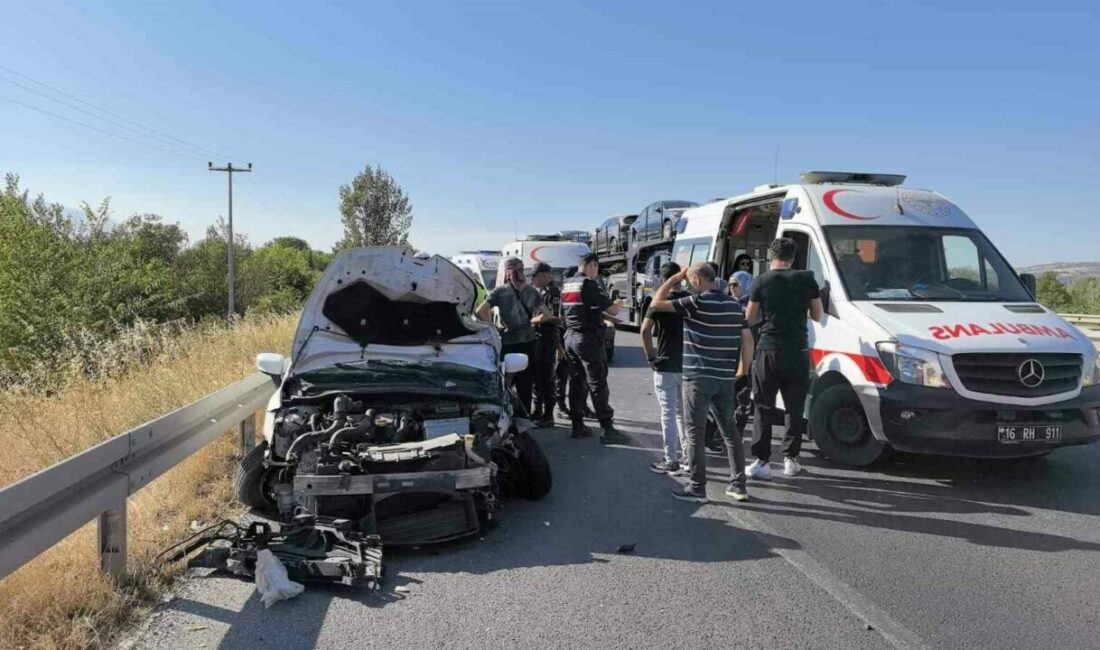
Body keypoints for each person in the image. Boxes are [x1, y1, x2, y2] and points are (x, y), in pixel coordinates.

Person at [649, 262, 753, 503]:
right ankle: (738, 486)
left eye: (689, 280)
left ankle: (697, 488)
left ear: (696, 280)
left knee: (695, 433)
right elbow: (747, 341)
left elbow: (656, 303)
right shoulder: (735, 306)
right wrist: (742, 370)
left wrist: (674, 278)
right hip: (724, 378)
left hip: (697, 378)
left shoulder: (695, 303)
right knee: (730, 433)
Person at [745, 237, 824, 479]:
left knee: (763, 406)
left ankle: (761, 461)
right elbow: (817, 315)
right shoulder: (807, 279)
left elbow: (750, 317)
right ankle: (791, 459)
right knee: (794, 407)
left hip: (768, 349)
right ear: (793, 257)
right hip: (797, 351)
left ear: (771, 256)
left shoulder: (762, 280)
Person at [562, 253, 625, 443]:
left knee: (576, 382)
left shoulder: (567, 284)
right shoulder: (589, 284)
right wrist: (620, 303)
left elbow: (581, 310)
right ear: (591, 265)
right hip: (588, 340)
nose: (597, 273)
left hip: (570, 337)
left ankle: (577, 426)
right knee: (597, 383)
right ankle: (607, 429)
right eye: (597, 268)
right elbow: (612, 309)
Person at [477, 257, 546, 416]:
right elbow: (546, 314)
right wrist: (531, 322)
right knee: (526, 382)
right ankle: (524, 415)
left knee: (505, 382)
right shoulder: (532, 291)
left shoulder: (500, 291)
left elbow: (480, 311)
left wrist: (492, 328)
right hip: (528, 342)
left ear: (507, 272)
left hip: (508, 343)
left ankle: (504, 413)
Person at [640, 262, 689, 474]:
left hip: (665, 363)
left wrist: (651, 357)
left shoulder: (657, 302)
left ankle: (671, 460)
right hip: (687, 363)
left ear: (662, 278)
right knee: (684, 414)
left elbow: (644, 331)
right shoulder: (690, 300)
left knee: (667, 413)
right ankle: (688, 459)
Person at [530, 262, 561, 428]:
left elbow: (553, 317)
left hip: (548, 337)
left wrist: (531, 321)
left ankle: (548, 414)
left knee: (547, 376)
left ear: (544, 276)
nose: (533, 281)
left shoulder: (553, 293)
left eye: (535, 277)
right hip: (538, 337)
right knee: (537, 376)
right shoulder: (539, 292)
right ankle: (537, 409)